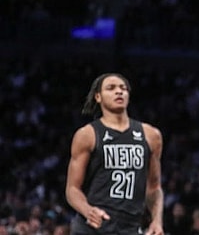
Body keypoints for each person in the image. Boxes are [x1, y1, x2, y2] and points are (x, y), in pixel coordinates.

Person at [65, 73, 164, 235]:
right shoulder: (87, 135)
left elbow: (154, 188)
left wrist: (157, 221)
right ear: (98, 97)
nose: (119, 91)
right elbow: (72, 189)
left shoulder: (151, 135)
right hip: (92, 227)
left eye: (123, 88)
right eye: (111, 88)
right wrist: (87, 210)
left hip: (130, 227)